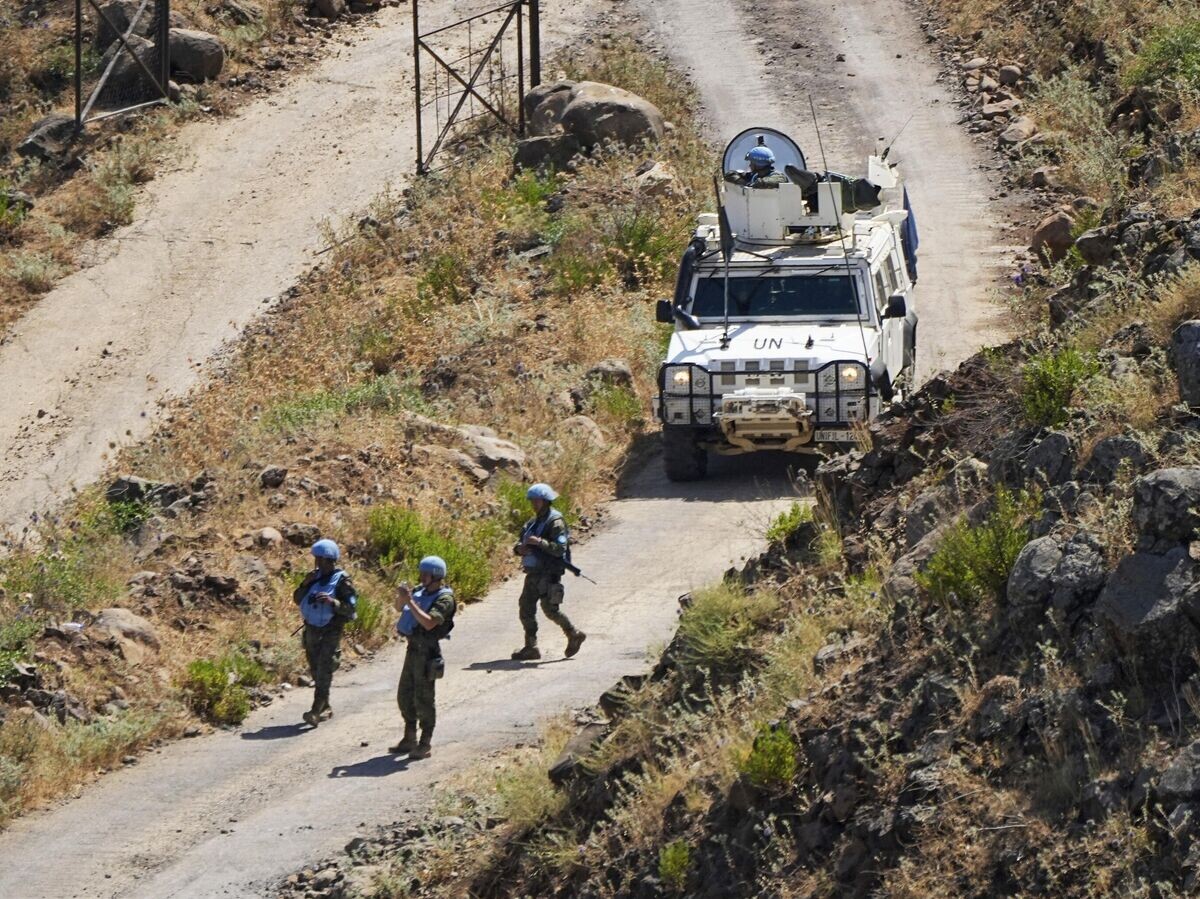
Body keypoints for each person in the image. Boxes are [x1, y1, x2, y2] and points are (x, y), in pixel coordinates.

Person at [391, 555, 457, 759]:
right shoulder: (420, 592)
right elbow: (398, 607)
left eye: (425, 574)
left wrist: (410, 601)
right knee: (405, 695)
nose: (421, 577)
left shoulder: (445, 599)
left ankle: (425, 742)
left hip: (427, 652)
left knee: (424, 699)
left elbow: (429, 623)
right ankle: (409, 737)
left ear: (436, 576)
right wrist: (403, 597)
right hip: (413, 649)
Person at [511, 483, 586, 661]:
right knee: (526, 609)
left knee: (550, 610)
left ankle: (573, 634)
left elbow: (560, 549)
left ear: (546, 501)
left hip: (548, 573)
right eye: (532, 501)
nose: (534, 504)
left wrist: (540, 543)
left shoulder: (555, 522)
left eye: (537, 501)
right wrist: (519, 549)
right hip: (533, 573)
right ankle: (531, 647)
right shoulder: (533, 522)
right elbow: (520, 542)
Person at [293, 539, 357, 727]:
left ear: (330, 560)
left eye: (321, 560)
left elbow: (351, 609)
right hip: (312, 630)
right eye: (317, 559)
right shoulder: (313, 578)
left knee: (324, 670)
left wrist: (332, 602)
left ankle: (315, 710)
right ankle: (325, 707)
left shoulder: (343, 581)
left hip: (330, 631)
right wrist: (305, 584)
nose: (318, 563)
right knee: (315, 669)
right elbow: (297, 599)